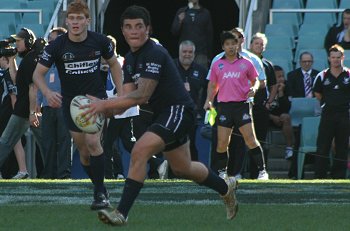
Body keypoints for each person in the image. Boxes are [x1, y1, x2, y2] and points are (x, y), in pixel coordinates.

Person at [82, 5, 238, 225]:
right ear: (123, 31)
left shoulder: (154, 52)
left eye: (139, 26)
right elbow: (124, 103)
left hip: (178, 110)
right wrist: (97, 111)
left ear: (149, 29)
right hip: (165, 114)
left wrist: (103, 105)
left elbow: (141, 95)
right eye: (128, 27)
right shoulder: (129, 60)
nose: (133, 31)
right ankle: (225, 187)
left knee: (139, 150)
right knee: (183, 168)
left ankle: (121, 213)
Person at [32, 0, 123, 210]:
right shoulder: (57, 45)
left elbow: (114, 64)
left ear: (87, 21)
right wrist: (47, 92)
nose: (75, 22)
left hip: (95, 100)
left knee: (93, 142)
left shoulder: (99, 41)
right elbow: (38, 74)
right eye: (71, 18)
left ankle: (100, 193)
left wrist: (120, 93)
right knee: (84, 153)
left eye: (80, 18)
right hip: (71, 104)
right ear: (67, 20)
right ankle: (99, 186)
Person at [204, 30, 268, 181]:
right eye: (227, 44)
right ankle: (222, 172)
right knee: (222, 142)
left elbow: (256, 80)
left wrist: (254, 88)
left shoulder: (246, 63)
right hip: (224, 107)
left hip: (242, 105)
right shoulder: (217, 64)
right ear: (223, 46)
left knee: (250, 139)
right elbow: (213, 85)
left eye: (234, 43)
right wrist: (209, 100)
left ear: (238, 44)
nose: (231, 47)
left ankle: (262, 171)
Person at [0, 27, 43, 179]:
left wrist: (32, 113)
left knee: (5, 142)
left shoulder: (31, 59)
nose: (16, 44)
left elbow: (33, 88)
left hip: (25, 110)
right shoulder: (28, 59)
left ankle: (50, 173)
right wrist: (12, 59)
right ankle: (49, 173)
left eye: (19, 41)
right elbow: (15, 79)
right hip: (26, 109)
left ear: (28, 41)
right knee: (44, 144)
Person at [37, 27, 72, 179]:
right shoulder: (46, 59)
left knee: (64, 141)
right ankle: (49, 174)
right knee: (48, 142)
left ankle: (64, 174)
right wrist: (38, 102)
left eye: (52, 39)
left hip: (64, 106)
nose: (49, 41)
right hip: (47, 106)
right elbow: (39, 81)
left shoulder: (69, 59)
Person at [313, 44, 349, 179]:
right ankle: (320, 175)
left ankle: (339, 176)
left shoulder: (349, 74)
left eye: (338, 57)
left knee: (342, 147)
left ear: (343, 57)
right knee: (322, 145)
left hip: (345, 115)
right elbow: (317, 93)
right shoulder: (322, 75)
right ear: (329, 58)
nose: (335, 60)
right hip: (327, 114)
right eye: (333, 57)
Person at [247, 32, 278, 179]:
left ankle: (258, 172)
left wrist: (269, 102)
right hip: (244, 107)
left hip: (260, 108)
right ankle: (238, 171)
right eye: (256, 43)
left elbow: (273, 85)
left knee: (260, 140)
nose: (259, 46)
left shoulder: (267, 64)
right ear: (250, 45)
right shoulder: (243, 61)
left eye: (261, 44)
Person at [174, 40, 208, 160]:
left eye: (190, 52)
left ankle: (194, 172)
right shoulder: (171, 67)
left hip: (192, 114)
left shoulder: (201, 70)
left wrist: (203, 109)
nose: (187, 54)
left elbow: (210, 90)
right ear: (179, 52)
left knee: (190, 143)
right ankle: (174, 174)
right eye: (184, 52)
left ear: (194, 54)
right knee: (174, 144)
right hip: (172, 113)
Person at [0, 55, 28, 179]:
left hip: (9, 113)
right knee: (15, 141)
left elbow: (12, 96)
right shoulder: (9, 74)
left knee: (15, 142)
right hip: (9, 112)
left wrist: (15, 112)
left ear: (4, 60)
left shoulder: (7, 75)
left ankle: (23, 170)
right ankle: (22, 170)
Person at [171, 0, 213, 69]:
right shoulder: (182, 11)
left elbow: (209, 36)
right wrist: (179, 21)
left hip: (200, 53)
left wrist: (209, 56)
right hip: (185, 52)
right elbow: (174, 32)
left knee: (201, 76)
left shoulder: (205, 13)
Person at [269, 65, 294, 160]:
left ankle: (289, 149)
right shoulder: (266, 86)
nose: (282, 79)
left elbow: (286, 108)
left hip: (280, 117)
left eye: (283, 76)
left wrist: (281, 92)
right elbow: (261, 108)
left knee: (286, 117)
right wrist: (271, 117)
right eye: (279, 77)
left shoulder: (286, 85)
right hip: (266, 116)